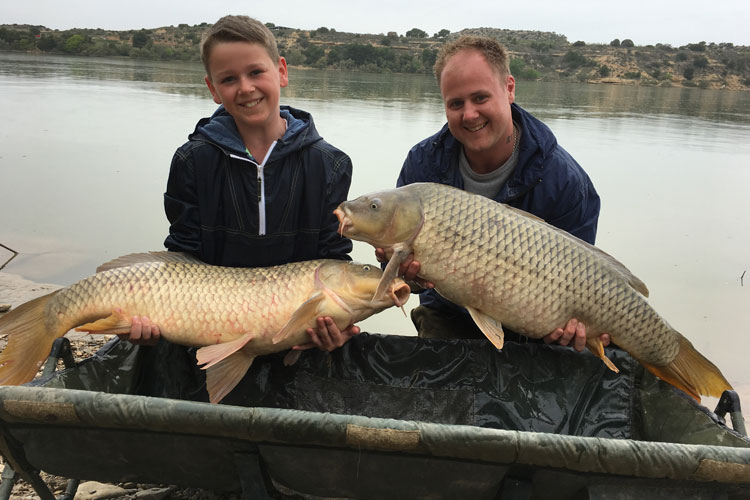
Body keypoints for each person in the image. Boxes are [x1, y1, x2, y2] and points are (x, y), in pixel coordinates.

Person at [122, 15, 359, 352]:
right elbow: (182, 257)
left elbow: (332, 257)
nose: (246, 88)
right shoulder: (193, 160)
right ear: (213, 89)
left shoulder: (330, 164)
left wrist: (336, 323)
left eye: (255, 72)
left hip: (293, 332)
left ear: (281, 71)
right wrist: (149, 315)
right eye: (229, 79)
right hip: (206, 324)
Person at [378, 35, 609, 351]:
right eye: (456, 103)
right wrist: (409, 277)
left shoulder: (566, 183)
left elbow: (581, 284)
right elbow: (402, 278)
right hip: (448, 317)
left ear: (509, 88)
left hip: (535, 331)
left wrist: (571, 331)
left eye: (480, 98)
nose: (469, 114)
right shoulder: (423, 165)